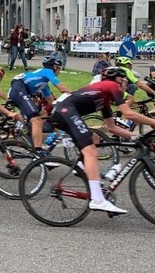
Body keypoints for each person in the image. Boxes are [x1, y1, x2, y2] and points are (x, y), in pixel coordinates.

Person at [51, 67, 155, 213]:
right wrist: (152, 122)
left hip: (65, 111)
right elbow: (128, 114)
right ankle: (97, 199)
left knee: (94, 138)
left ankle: (82, 168)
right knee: (91, 151)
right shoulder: (112, 86)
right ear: (119, 80)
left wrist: (136, 137)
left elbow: (112, 128)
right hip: (64, 111)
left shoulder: (104, 98)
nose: (125, 84)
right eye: (124, 80)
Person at [8, 56, 72, 156]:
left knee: (43, 113)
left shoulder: (43, 83)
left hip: (20, 90)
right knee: (36, 120)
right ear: (55, 67)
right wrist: (77, 95)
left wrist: (64, 110)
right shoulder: (47, 72)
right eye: (59, 68)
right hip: (19, 88)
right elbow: (62, 88)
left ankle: (31, 136)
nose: (59, 71)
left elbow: (51, 101)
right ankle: (38, 151)